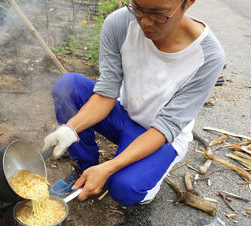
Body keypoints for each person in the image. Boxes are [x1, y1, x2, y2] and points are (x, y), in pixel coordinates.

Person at [42, 0, 225, 206]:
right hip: (125, 114)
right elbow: (107, 92)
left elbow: (166, 127)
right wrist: (70, 129)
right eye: (137, 8)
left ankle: (147, 180)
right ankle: (85, 168)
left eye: (158, 14)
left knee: (124, 188)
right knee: (69, 85)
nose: (145, 22)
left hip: (161, 135)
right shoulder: (120, 23)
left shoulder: (207, 56)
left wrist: (110, 167)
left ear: (188, 3)